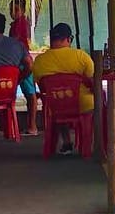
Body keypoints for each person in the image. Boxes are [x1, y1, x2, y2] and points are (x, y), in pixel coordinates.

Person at [32, 23, 94, 153]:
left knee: (60, 98)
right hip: (82, 104)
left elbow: (42, 87)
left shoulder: (39, 60)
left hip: (55, 104)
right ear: (69, 39)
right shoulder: (81, 56)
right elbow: (92, 81)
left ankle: (66, 142)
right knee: (100, 100)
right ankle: (97, 143)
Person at [9, 0, 39, 136]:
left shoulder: (21, 23)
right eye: (11, 10)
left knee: (30, 94)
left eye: (16, 10)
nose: (13, 13)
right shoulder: (16, 24)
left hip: (22, 60)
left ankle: (32, 125)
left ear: (22, 10)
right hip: (17, 60)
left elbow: (18, 40)